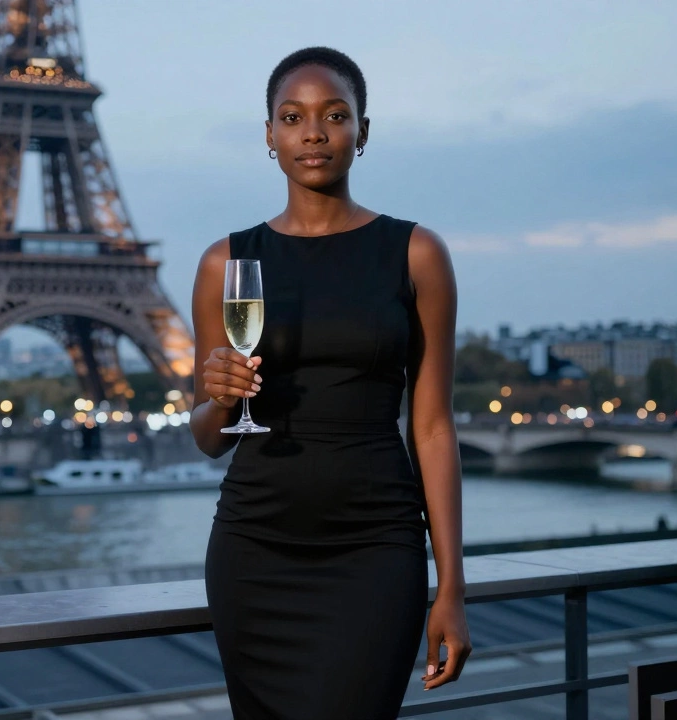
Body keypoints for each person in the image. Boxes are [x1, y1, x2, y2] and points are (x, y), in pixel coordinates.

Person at [190, 47, 470, 719]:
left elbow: (431, 428)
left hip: (375, 548)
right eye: (293, 117)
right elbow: (207, 437)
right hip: (254, 550)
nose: (313, 133)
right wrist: (220, 395)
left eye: (334, 116)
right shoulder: (224, 263)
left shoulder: (416, 253)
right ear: (269, 136)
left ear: (362, 132)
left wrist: (452, 587)